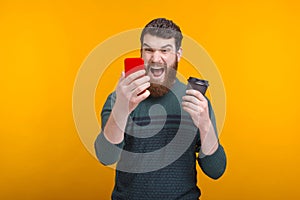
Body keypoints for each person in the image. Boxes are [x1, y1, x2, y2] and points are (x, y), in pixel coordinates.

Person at [94, 18, 226, 200]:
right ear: (141, 53)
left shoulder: (196, 102)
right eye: (149, 50)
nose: (156, 58)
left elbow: (216, 169)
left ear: (178, 54)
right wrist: (122, 108)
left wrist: (205, 125)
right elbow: (106, 156)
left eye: (165, 50)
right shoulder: (119, 99)